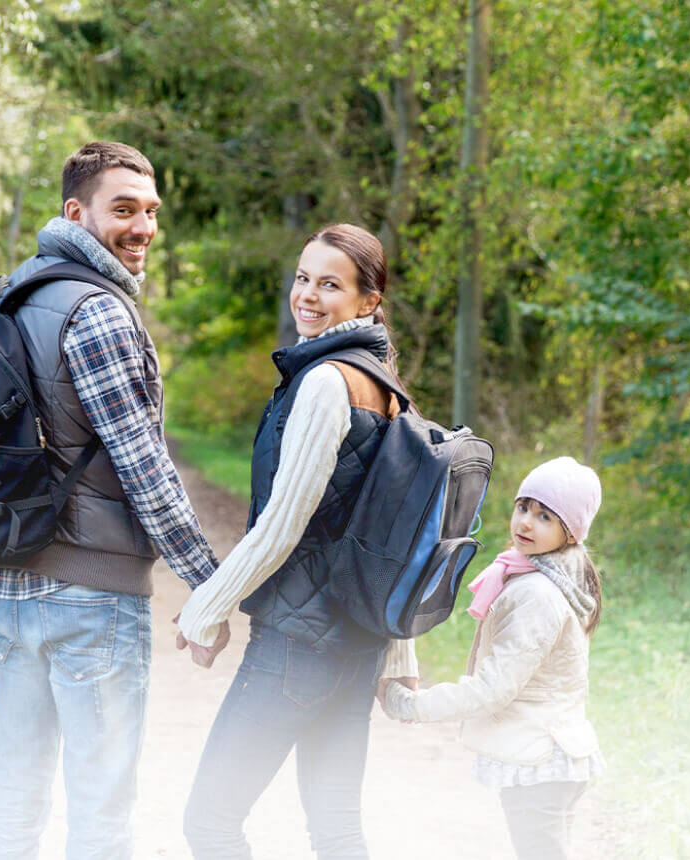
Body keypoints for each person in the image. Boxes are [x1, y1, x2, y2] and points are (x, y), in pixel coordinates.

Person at [0, 140, 223, 859]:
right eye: (123, 210)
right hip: (90, 600)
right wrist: (212, 586)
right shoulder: (100, 312)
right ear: (75, 212)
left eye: (150, 212)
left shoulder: (7, 296)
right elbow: (144, 465)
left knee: (13, 806)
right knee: (101, 818)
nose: (142, 227)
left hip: (12, 592)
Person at [176, 224, 420, 858]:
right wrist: (399, 654)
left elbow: (282, 526)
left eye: (330, 284)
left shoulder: (326, 382)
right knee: (336, 829)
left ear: (369, 301)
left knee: (211, 821)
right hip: (357, 647)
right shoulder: (390, 390)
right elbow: (391, 539)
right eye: (303, 277)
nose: (308, 295)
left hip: (295, 648)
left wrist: (207, 605)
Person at [378, 456, 605, 860]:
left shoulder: (538, 594)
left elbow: (492, 688)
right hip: (553, 754)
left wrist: (412, 705)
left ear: (570, 532)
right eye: (524, 507)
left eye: (545, 516)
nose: (526, 523)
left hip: (540, 761)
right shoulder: (543, 577)